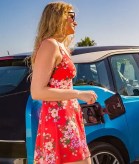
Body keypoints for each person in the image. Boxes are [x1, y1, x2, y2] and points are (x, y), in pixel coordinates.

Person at [30, 2, 97, 164]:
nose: (76, 22)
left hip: (68, 118)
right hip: (58, 121)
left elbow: (60, 85)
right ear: (58, 18)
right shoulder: (49, 45)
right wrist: (79, 94)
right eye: (71, 16)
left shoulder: (60, 47)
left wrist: (82, 94)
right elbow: (37, 92)